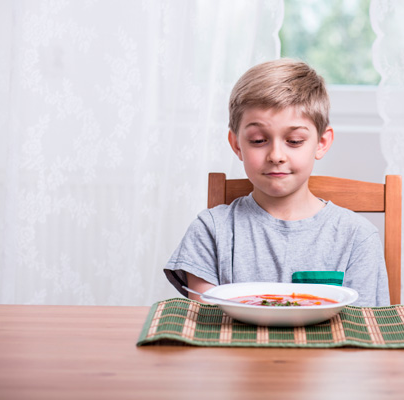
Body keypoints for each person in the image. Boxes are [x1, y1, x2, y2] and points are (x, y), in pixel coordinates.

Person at [163, 58, 390, 307]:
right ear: (237, 144)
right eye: (259, 140)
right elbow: (206, 324)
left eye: (294, 141)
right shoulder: (211, 231)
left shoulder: (357, 237)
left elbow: (364, 330)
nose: (276, 156)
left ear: (321, 143)